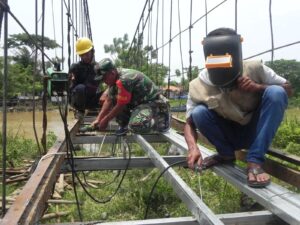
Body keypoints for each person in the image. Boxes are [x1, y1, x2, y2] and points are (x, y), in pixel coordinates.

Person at [184, 27, 293, 188]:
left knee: (276, 92)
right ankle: (226, 154)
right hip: (227, 135)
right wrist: (193, 148)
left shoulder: (255, 68)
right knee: (198, 113)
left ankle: (255, 160)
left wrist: (258, 87)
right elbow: (189, 123)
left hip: (255, 132)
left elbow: (288, 90)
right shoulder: (197, 85)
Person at [91, 58, 170, 135]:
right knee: (115, 99)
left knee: (135, 126)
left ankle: (161, 123)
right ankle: (125, 125)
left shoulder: (124, 80)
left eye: (104, 78)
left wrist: (106, 120)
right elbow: (109, 100)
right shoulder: (114, 78)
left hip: (156, 104)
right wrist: (98, 119)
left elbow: (121, 105)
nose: (104, 82)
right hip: (141, 105)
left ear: (112, 73)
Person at [69, 37, 102, 119]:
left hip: (93, 100)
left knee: (110, 92)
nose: (85, 57)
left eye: (87, 54)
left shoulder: (98, 67)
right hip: (79, 100)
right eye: (82, 55)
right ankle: (80, 112)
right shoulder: (75, 67)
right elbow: (70, 87)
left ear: (92, 52)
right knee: (80, 88)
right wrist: (70, 80)